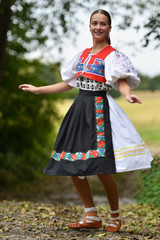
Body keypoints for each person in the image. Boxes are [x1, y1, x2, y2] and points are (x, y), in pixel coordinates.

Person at [19, 9, 153, 232]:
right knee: (73, 164)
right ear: (89, 26)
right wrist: (39, 90)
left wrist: (127, 94)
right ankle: (91, 215)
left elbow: (121, 80)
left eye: (103, 24)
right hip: (80, 110)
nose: (98, 27)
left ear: (109, 28)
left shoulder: (113, 55)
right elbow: (68, 84)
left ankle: (115, 216)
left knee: (102, 166)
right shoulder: (82, 55)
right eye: (94, 23)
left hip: (100, 109)